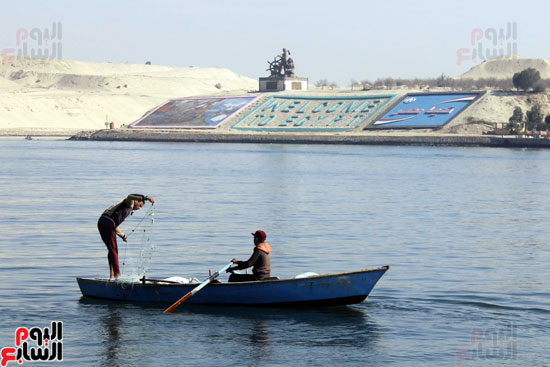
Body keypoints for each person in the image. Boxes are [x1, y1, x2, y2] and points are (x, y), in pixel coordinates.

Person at [97, 194, 155, 280]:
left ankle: (112, 275)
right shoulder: (129, 202)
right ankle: (118, 277)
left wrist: (123, 236)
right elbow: (130, 196)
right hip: (106, 223)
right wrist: (146, 198)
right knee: (113, 250)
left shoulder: (127, 208)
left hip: (105, 222)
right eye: (140, 205)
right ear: (136, 201)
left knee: (112, 250)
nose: (139, 208)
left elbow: (114, 224)